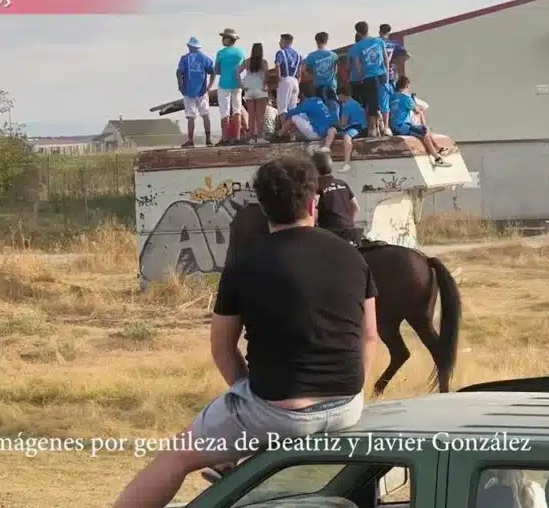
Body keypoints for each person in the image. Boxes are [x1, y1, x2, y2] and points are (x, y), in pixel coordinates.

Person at [111, 156, 378, 508]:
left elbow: (222, 349)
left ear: (262, 208)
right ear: (314, 203)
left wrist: (246, 394)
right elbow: (370, 336)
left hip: (276, 413)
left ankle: (228, 457)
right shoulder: (352, 257)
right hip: (347, 406)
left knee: (175, 457)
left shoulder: (244, 264)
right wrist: (351, 389)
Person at [390, 77, 450, 167]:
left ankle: (438, 148)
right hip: (402, 126)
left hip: (393, 126)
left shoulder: (392, 97)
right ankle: (437, 157)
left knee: (425, 129)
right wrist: (420, 108)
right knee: (423, 130)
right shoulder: (406, 97)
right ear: (406, 86)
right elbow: (416, 111)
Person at [312, 151, 362, 246]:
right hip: (351, 234)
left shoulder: (316, 188)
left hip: (330, 237)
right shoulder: (342, 183)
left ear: (313, 169)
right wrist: (348, 224)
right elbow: (356, 207)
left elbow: (314, 215)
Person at [349, 21, 389, 137]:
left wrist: (362, 76)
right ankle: (386, 127)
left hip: (369, 77)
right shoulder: (378, 41)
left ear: (358, 32)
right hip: (381, 74)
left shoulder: (357, 47)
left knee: (372, 103)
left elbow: (357, 65)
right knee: (384, 101)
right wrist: (386, 72)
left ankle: (372, 129)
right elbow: (385, 58)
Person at [177, 37, 216, 147]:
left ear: (189, 46)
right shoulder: (204, 58)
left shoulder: (185, 59)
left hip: (188, 91)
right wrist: (210, 86)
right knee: (205, 115)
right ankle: (208, 140)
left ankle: (190, 141)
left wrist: (180, 86)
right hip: (202, 91)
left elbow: (179, 72)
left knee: (190, 116)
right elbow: (213, 72)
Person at [214, 28, 246, 146]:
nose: (222, 40)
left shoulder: (221, 53)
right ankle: (236, 137)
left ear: (229, 39)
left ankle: (225, 138)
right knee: (237, 110)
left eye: (224, 37)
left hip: (224, 84)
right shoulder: (240, 52)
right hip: (237, 84)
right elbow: (242, 67)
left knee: (224, 112)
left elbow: (217, 70)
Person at [329, 84, 368, 172]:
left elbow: (343, 124)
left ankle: (346, 163)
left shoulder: (347, 105)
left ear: (342, 95)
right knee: (336, 131)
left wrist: (334, 124)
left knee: (346, 137)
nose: (338, 98)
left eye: (338, 96)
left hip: (359, 127)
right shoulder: (355, 102)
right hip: (355, 126)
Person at [378, 24, 407, 136]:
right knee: (393, 100)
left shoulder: (377, 43)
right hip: (392, 75)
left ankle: (385, 127)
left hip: (380, 76)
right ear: (389, 32)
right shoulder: (394, 44)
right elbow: (406, 55)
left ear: (380, 32)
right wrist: (395, 64)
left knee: (382, 102)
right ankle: (392, 125)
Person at [302, 31, 340, 116]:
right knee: (334, 107)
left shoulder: (311, 56)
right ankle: (335, 126)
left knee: (321, 109)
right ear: (326, 41)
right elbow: (336, 70)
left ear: (316, 41)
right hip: (331, 85)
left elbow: (302, 69)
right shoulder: (333, 55)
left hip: (318, 86)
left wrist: (312, 76)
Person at [239, 43, 269, 144]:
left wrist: (242, 85)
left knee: (251, 115)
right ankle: (260, 138)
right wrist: (265, 85)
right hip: (260, 89)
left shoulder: (247, 61)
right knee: (260, 115)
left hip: (249, 90)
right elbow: (267, 75)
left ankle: (251, 138)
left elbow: (236, 71)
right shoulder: (263, 62)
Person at [275, 33, 303, 113]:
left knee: (282, 109)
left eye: (281, 41)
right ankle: (291, 125)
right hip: (295, 81)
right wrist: (298, 81)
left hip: (285, 80)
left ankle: (284, 125)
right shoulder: (297, 54)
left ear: (285, 41)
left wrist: (279, 78)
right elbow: (299, 71)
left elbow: (277, 65)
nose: (279, 43)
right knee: (293, 109)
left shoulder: (281, 52)